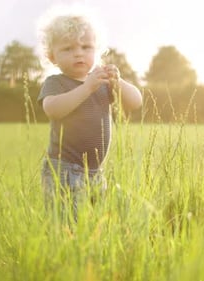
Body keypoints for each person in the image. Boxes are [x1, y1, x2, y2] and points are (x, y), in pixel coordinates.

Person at [37, 8, 142, 222]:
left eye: (86, 47)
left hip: (95, 172)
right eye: (68, 48)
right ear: (52, 56)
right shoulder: (56, 83)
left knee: (95, 224)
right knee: (67, 224)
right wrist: (87, 88)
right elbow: (53, 109)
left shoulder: (102, 82)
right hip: (64, 170)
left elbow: (136, 102)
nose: (78, 53)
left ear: (96, 51)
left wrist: (117, 82)